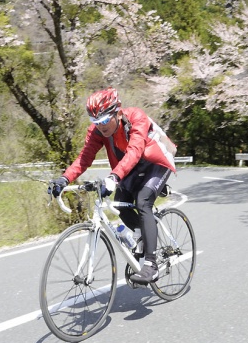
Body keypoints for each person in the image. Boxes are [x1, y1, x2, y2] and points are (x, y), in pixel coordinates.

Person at [48, 88, 175, 284]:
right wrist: (64, 179)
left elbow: (135, 151)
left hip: (155, 163)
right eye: (96, 122)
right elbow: (84, 158)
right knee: (120, 206)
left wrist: (114, 177)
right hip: (131, 168)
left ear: (118, 112)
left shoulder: (136, 117)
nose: (101, 126)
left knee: (143, 202)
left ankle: (151, 265)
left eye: (105, 120)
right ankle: (144, 234)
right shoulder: (97, 131)